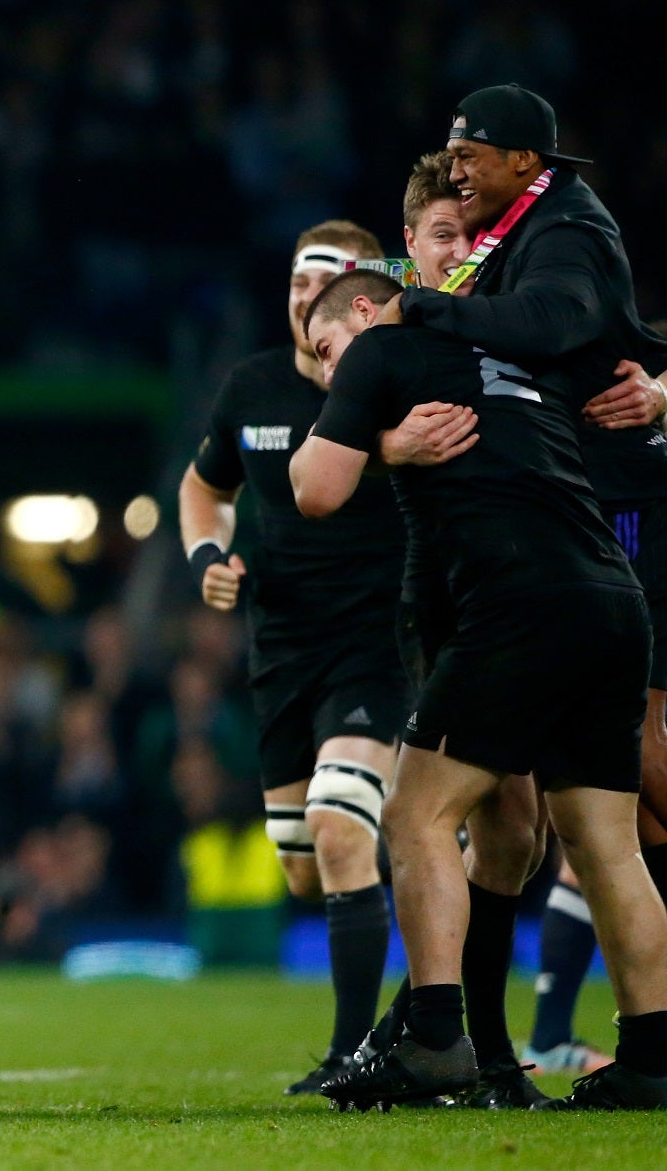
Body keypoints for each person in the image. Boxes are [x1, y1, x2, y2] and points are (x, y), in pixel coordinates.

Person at [293, 268, 667, 1111]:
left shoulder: (385, 349)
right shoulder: (525, 351)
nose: (327, 372)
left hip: (513, 609)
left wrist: (375, 441)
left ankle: (436, 1040)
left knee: (416, 814)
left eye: (326, 350)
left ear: (365, 305)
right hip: (615, 598)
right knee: (605, 845)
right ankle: (651, 1057)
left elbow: (315, 489)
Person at [381, 85, 667, 1103]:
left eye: (472, 157)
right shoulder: (520, 234)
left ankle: (447, 1038)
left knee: (450, 813)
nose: (458, 167)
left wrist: (425, 308)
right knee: (575, 830)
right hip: (544, 565)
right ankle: (569, 1055)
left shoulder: (560, 233)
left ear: (521, 161)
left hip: (564, 550)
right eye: (445, 169)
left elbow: (559, 324)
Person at [177, 220, 404, 1093]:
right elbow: (203, 487)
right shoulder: (253, 385)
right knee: (306, 870)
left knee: (342, 826)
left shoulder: (394, 382)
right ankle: (422, 852)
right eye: (295, 290)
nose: (305, 305)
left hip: (377, 642)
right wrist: (207, 557)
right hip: (280, 652)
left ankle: (355, 1054)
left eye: (324, 290)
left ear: (359, 298)